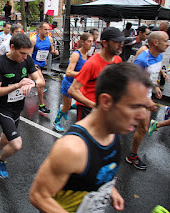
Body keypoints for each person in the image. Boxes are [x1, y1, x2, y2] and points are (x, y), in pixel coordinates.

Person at [29, 62, 152, 212]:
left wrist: (110, 191)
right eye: (134, 106)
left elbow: (98, 173)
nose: (142, 115)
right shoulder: (72, 149)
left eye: (143, 107)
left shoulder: (113, 134)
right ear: (106, 102)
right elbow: (38, 196)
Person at [0, 33, 45, 178]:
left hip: (18, 107)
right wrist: (18, 85)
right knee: (16, 144)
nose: (25, 57)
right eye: (22, 53)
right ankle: (1, 160)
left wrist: (32, 83)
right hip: (3, 108)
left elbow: (41, 81)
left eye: (27, 54)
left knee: (6, 138)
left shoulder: (27, 59)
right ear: (12, 47)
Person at [126, 31, 169, 170]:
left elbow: (150, 76)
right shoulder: (142, 60)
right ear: (156, 42)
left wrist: (155, 86)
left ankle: (131, 154)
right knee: (142, 127)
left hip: (147, 96)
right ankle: (131, 156)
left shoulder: (159, 55)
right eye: (166, 41)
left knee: (142, 127)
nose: (168, 44)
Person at [68, 27, 124, 121]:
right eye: (116, 42)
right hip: (88, 109)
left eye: (121, 42)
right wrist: (94, 106)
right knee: (85, 135)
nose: (120, 45)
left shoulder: (118, 60)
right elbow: (72, 90)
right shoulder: (92, 63)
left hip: (106, 108)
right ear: (105, 43)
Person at [53, 33, 93, 132]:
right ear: (82, 42)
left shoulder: (86, 53)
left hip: (78, 84)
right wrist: (83, 74)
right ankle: (56, 121)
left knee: (80, 102)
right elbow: (68, 72)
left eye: (92, 41)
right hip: (69, 84)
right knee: (67, 106)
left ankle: (67, 108)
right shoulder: (76, 54)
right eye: (89, 41)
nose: (91, 44)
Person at [30, 22, 59, 114]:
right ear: (40, 29)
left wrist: (55, 52)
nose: (47, 31)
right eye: (45, 29)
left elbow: (51, 51)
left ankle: (22, 86)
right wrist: (31, 65)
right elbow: (29, 55)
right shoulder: (34, 39)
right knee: (41, 83)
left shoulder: (50, 39)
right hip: (34, 65)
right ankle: (41, 105)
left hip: (42, 65)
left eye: (48, 29)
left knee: (35, 83)